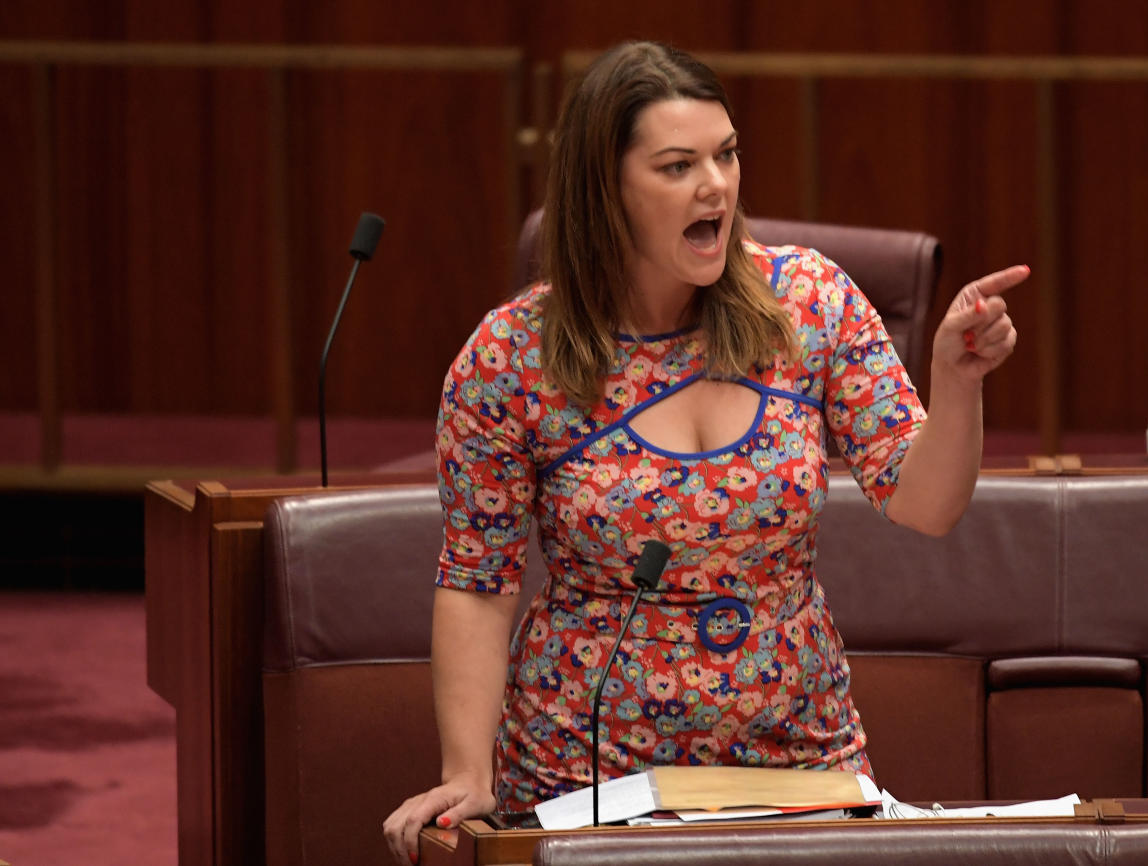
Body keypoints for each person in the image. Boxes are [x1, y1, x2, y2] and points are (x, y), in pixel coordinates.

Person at [384, 40, 1024, 864]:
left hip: (798, 763)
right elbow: (477, 582)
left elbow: (926, 503)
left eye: (725, 155)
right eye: (679, 165)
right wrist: (467, 772)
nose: (716, 185)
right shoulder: (511, 358)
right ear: (603, 191)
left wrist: (956, 381)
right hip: (588, 777)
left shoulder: (808, 302)